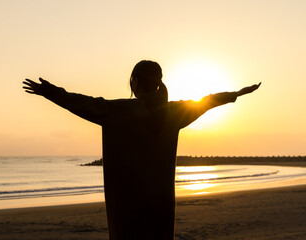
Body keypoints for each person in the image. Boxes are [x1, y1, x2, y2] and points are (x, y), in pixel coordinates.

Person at [23, 60, 261, 240]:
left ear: (134, 82)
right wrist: (235, 94)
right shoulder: (174, 113)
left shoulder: (116, 112)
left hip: (126, 212)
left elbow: (80, 102)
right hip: (161, 209)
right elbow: (206, 101)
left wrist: (50, 92)